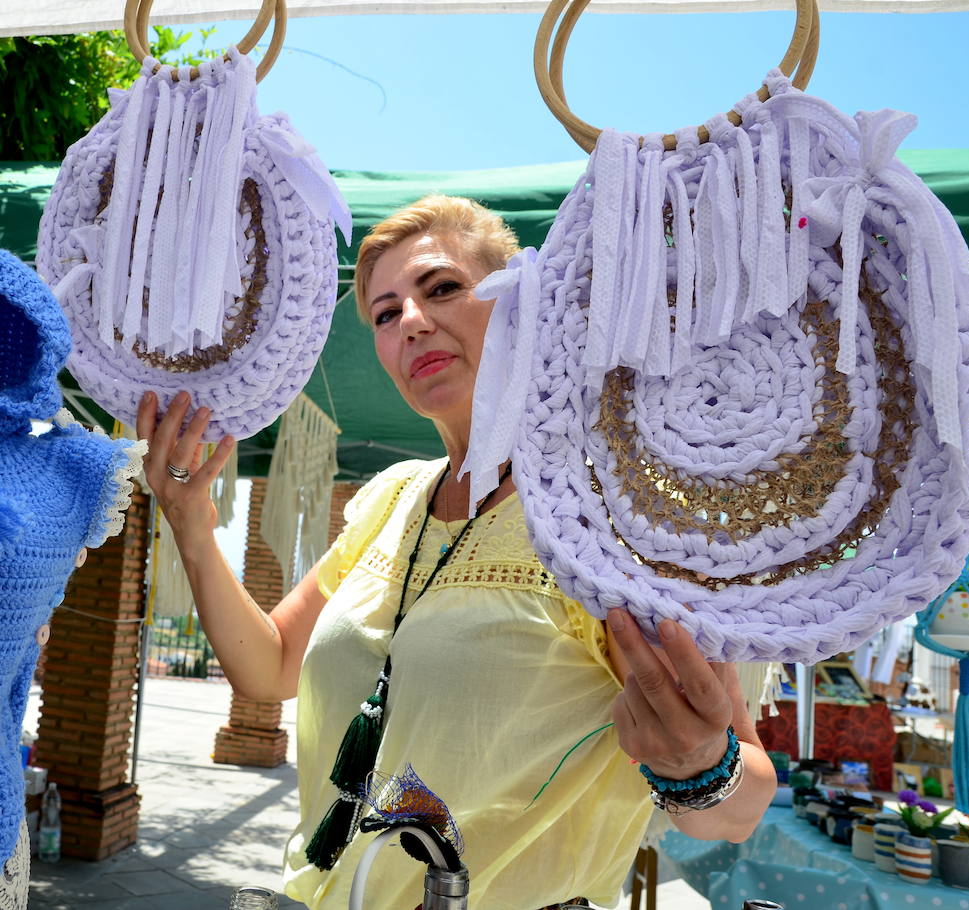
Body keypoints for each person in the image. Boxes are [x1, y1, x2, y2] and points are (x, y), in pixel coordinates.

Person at [138, 195, 776, 909]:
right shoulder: (391, 496)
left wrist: (696, 764)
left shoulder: (607, 518)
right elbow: (271, 665)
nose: (411, 321)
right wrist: (191, 521)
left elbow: (742, 801)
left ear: (518, 304)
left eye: (441, 288)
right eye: (385, 314)